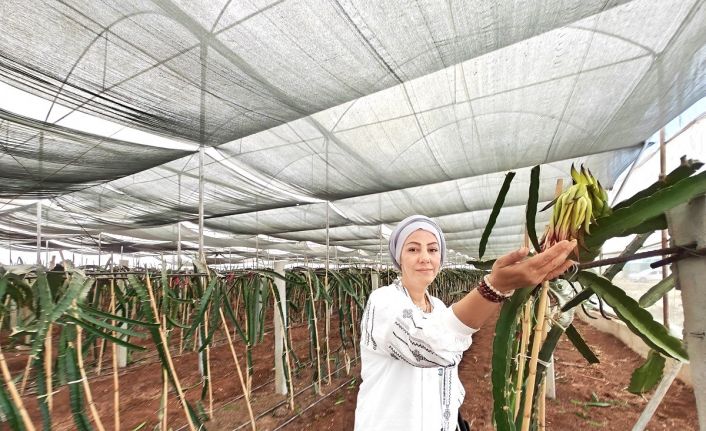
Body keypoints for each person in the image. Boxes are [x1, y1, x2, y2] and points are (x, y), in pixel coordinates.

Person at [354, 215, 576, 431]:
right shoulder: (383, 302)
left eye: (432, 249)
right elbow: (428, 346)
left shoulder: (439, 307)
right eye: (412, 249)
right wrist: (494, 287)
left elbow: (449, 365)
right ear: (398, 257)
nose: (425, 257)